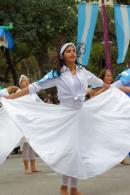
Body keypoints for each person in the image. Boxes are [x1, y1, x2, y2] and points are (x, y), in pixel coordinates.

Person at [1, 43, 130, 195]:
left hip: (82, 115)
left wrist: (117, 91)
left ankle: (74, 188)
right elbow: (34, 87)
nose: (72, 53)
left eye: (74, 50)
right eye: (68, 51)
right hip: (65, 116)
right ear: (63, 55)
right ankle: (64, 186)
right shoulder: (57, 74)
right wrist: (11, 97)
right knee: (67, 153)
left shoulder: (83, 72)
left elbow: (102, 84)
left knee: (79, 152)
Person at [18, 75, 41, 174]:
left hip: (32, 122)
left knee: (33, 145)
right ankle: (26, 168)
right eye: (24, 81)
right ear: (20, 83)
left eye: (28, 81)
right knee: (26, 145)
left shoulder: (32, 93)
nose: (27, 82)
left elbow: (39, 104)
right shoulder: (18, 93)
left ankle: (33, 167)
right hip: (23, 122)